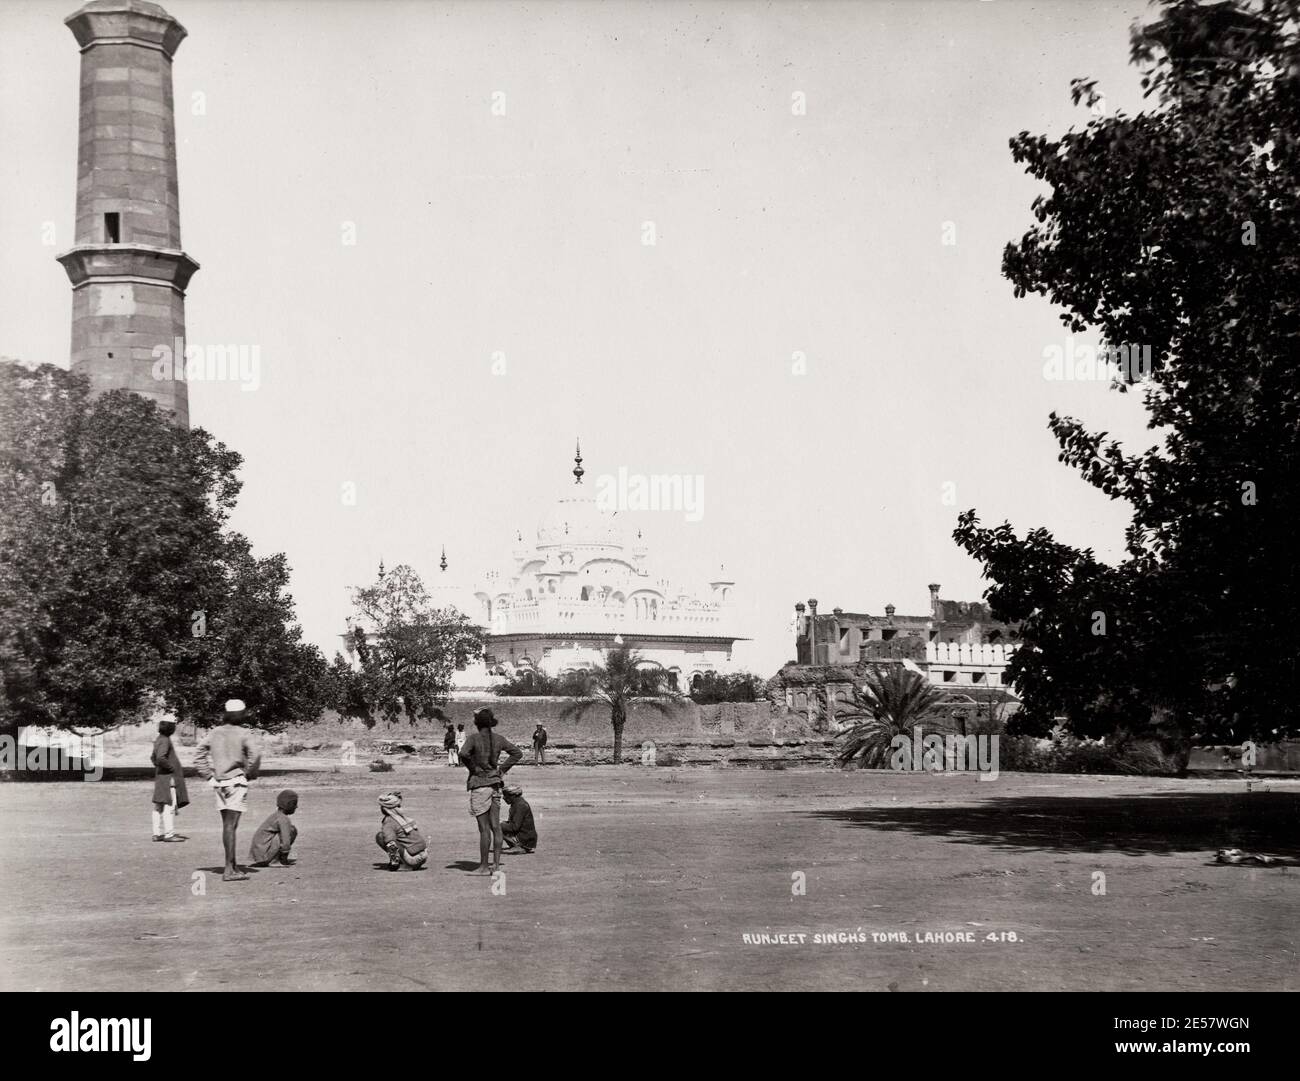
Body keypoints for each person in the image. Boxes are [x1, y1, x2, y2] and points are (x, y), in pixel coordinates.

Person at [194, 699, 262, 882]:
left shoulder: (214, 733)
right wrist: (250, 774)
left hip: (219, 783)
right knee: (231, 826)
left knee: (227, 825)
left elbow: (199, 753)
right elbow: (256, 755)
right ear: (241, 714)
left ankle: (231, 865)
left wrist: (208, 775)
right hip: (236, 782)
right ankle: (229, 869)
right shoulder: (244, 733)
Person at [458, 708, 522, 874]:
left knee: (484, 829)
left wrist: (473, 768)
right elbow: (517, 753)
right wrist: (501, 770)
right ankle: (496, 864)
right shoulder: (499, 739)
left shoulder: (474, 739)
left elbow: (463, 753)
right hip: (495, 784)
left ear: (478, 723)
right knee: (496, 827)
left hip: (480, 785)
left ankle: (484, 867)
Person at [150, 720, 189, 842]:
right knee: (169, 806)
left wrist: (160, 767)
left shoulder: (159, 739)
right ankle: (169, 834)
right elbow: (161, 758)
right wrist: (172, 768)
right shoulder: (165, 740)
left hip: (161, 777)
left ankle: (156, 833)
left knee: (158, 806)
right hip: (168, 779)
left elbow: (153, 757)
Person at [375, 791, 428, 871]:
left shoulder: (389, 821)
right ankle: (409, 862)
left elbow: (390, 842)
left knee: (381, 837)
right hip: (423, 857)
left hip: (413, 860)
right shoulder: (403, 818)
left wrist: (394, 865)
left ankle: (405, 865)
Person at [249, 789, 298, 866]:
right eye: (295, 804)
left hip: (260, 855)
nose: (296, 807)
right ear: (289, 804)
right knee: (291, 830)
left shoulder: (276, 815)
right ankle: (275, 861)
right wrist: (284, 858)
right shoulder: (283, 819)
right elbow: (285, 841)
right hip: (265, 855)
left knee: (289, 830)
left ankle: (272, 859)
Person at [501, 782, 537, 853]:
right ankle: (517, 845)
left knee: (497, 826)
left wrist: (500, 825)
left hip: (526, 838)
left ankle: (518, 846)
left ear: (513, 796)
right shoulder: (517, 804)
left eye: (506, 795)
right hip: (526, 837)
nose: (504, 798)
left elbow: (515, 827)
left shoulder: (520, 805)